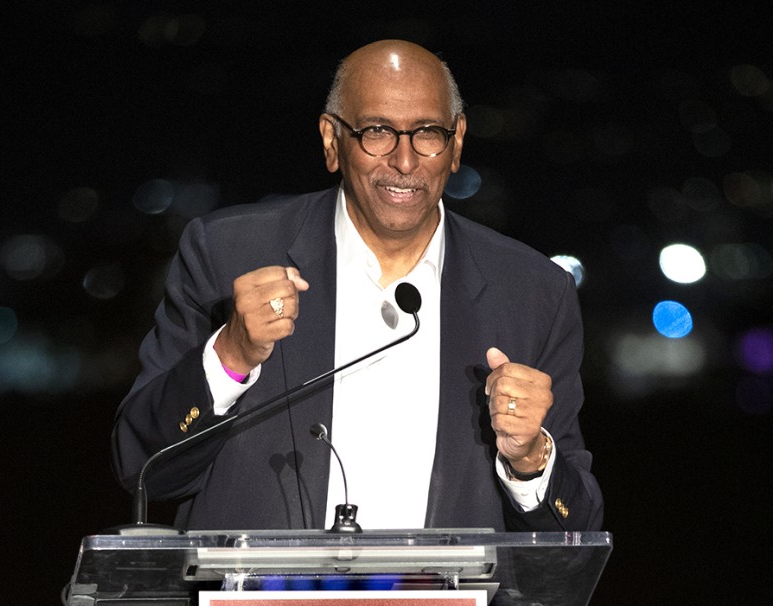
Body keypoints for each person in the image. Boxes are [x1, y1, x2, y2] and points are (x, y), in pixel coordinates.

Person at [112, 39, 603, 533]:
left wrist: (529, 457)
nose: (405, 162)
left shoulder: (535, 291)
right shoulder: (226, 254)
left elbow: (574, 530)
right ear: (331, 140)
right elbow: (142, 469)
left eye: (428, 133)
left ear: (456, 144)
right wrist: (232, 357)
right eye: (377, 132)